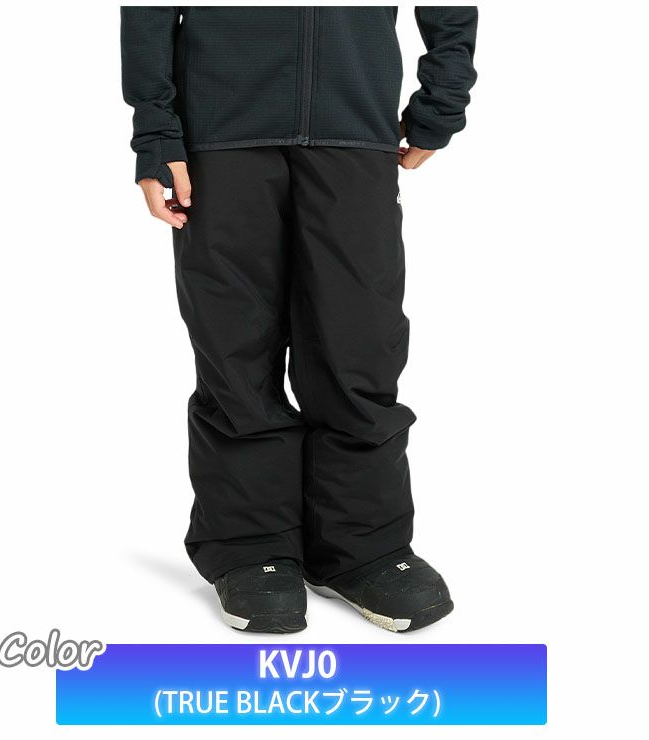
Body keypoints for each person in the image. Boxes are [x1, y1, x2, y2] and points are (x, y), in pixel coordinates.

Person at [121, 6, 478, 634]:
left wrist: (444, 95)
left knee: (360, 343)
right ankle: (250, 545)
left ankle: (363, 546)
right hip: (219, 129)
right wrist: (156, 132)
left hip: (354, 121)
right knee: (234, 348)